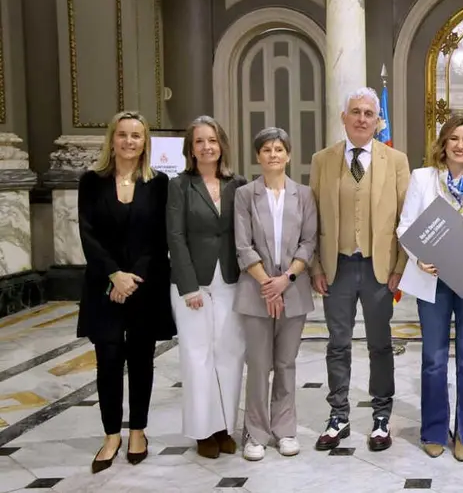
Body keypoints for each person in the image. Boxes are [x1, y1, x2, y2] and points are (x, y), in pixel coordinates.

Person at [396, 115, 463, 461]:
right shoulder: (423, 178)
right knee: (433, 359)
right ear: (443, 143)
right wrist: (419, 258)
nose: (460, 145)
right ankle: (432, 430)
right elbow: (405, 227)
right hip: (434, 278)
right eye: (454, 138)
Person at [310, 87, 411, 452]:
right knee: (337, 345)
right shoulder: (322, 160)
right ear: (344, 117)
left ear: (377, 120)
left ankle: (381, 417)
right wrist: (315, 265)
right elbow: (312, 218)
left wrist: (400, 265)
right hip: (336, 268)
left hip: (378, 269)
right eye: (355, 112)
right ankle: (338, 416)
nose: (362, 118)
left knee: (380, 345)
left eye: (369, 113)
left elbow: (406, 219)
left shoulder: (395, 161)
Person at [77, 111, 175, 473]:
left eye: (136, 135)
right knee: (108, 360)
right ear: (112, 139)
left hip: (145, 286)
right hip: (104, 285)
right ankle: (110, 435)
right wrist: (114, 275)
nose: (129, 141)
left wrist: (133, 277)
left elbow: (159, 237)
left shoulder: (159, 183)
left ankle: (138, 430)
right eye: (123, 135)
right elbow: (88, 233)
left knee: (140, 360)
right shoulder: (91, 182)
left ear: (145, 142)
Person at [233, 127, 318, 462]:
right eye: (266, 149)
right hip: (255, 291)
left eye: (279, 149)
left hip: (293, 291)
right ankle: (255, 433)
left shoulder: (305, 195)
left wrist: (286, 279)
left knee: (285, 363)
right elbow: (242, 244)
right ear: (258, 156)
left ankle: (285, 429)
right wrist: (268, 283)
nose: (273, 155)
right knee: (258, 364)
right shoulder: (245, 195)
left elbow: (309, 242)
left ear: (289, 155)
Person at [165, 116, 247, 459]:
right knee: (197, 357)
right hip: (192, 283)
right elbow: (175, 236)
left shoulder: (238, 183)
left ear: (221, 144)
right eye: (199, 141)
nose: (206, 146)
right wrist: (188, 287)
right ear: (190, 148)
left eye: (212, 140)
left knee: (229, 354)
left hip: (230, 279)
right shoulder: (180, 185)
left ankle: (224, 427)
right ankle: (202, 431)